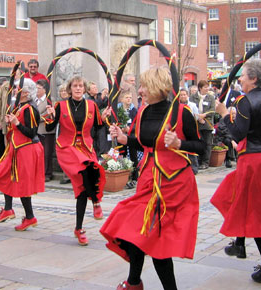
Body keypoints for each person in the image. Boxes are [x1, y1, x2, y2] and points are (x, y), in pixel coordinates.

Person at [100, 67, 204, 290]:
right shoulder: (144, 112)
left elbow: (201, 147)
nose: (140, 90)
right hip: (148, 180)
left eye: (144, 85)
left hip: (173, 184)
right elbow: (146, 144)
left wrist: (179, 144)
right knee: (138, 231)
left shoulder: (181, 112)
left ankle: (135, 283)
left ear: (158, 86)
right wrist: (124, 138)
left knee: (156, 241)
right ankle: (134, 282)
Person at [211, 58, 261, 283]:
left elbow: (237, 133)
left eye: (243, 76)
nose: (240, 80)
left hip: (257, 161)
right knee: (234, 195)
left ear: (254, 79)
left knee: (256, 211)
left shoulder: (244, 101)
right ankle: (239, 243)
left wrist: (224, 113)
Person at [46, 76, 111, 246]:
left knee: (82, 189)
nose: (78, 88)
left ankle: (79, 228)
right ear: (70, 89)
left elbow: (97, 127)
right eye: (74, 86)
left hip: (86, 148)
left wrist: (103, 118)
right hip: (67, 148)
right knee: (87, 168)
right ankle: (96, 202)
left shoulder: (91, 105)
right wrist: (51, 117)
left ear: (84, 88)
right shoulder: (60, 106)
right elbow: (49, 128)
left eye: (80, 86)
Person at [0, 78, 44, 230]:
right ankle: (8, 209)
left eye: (18, 89)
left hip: (26, 150)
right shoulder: (21, 106)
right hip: (17, 148)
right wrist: (12, 122)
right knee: (5, 175)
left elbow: (31, 133)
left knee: (22, 183)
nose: (14, 91)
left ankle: (29, 217)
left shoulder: (29, 109)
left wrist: (16, 123)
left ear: (25, 93)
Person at [189, 80, 215, 170]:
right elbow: (190, 107)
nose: (207, 89)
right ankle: (198, 161)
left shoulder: (211, 98)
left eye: (207, 87)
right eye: (205, 87)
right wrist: (198, 117)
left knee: (207, 143)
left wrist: (204, 116)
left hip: (207, 123)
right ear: (200, 88)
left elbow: (213, 110)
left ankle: (205, 162)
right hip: (196, 123)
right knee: (198, 142)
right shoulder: (193, 97)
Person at [35, 79, 56, 182]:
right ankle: (39, 172)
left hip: (46, 131)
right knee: (38, 153)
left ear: (44, 90)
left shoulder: (49, 100)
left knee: (47, 153)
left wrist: (35, 118)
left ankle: (47, 173)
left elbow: (48, 114)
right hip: (36, 131)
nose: (36, 90)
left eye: (38, 88)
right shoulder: (34, 100)